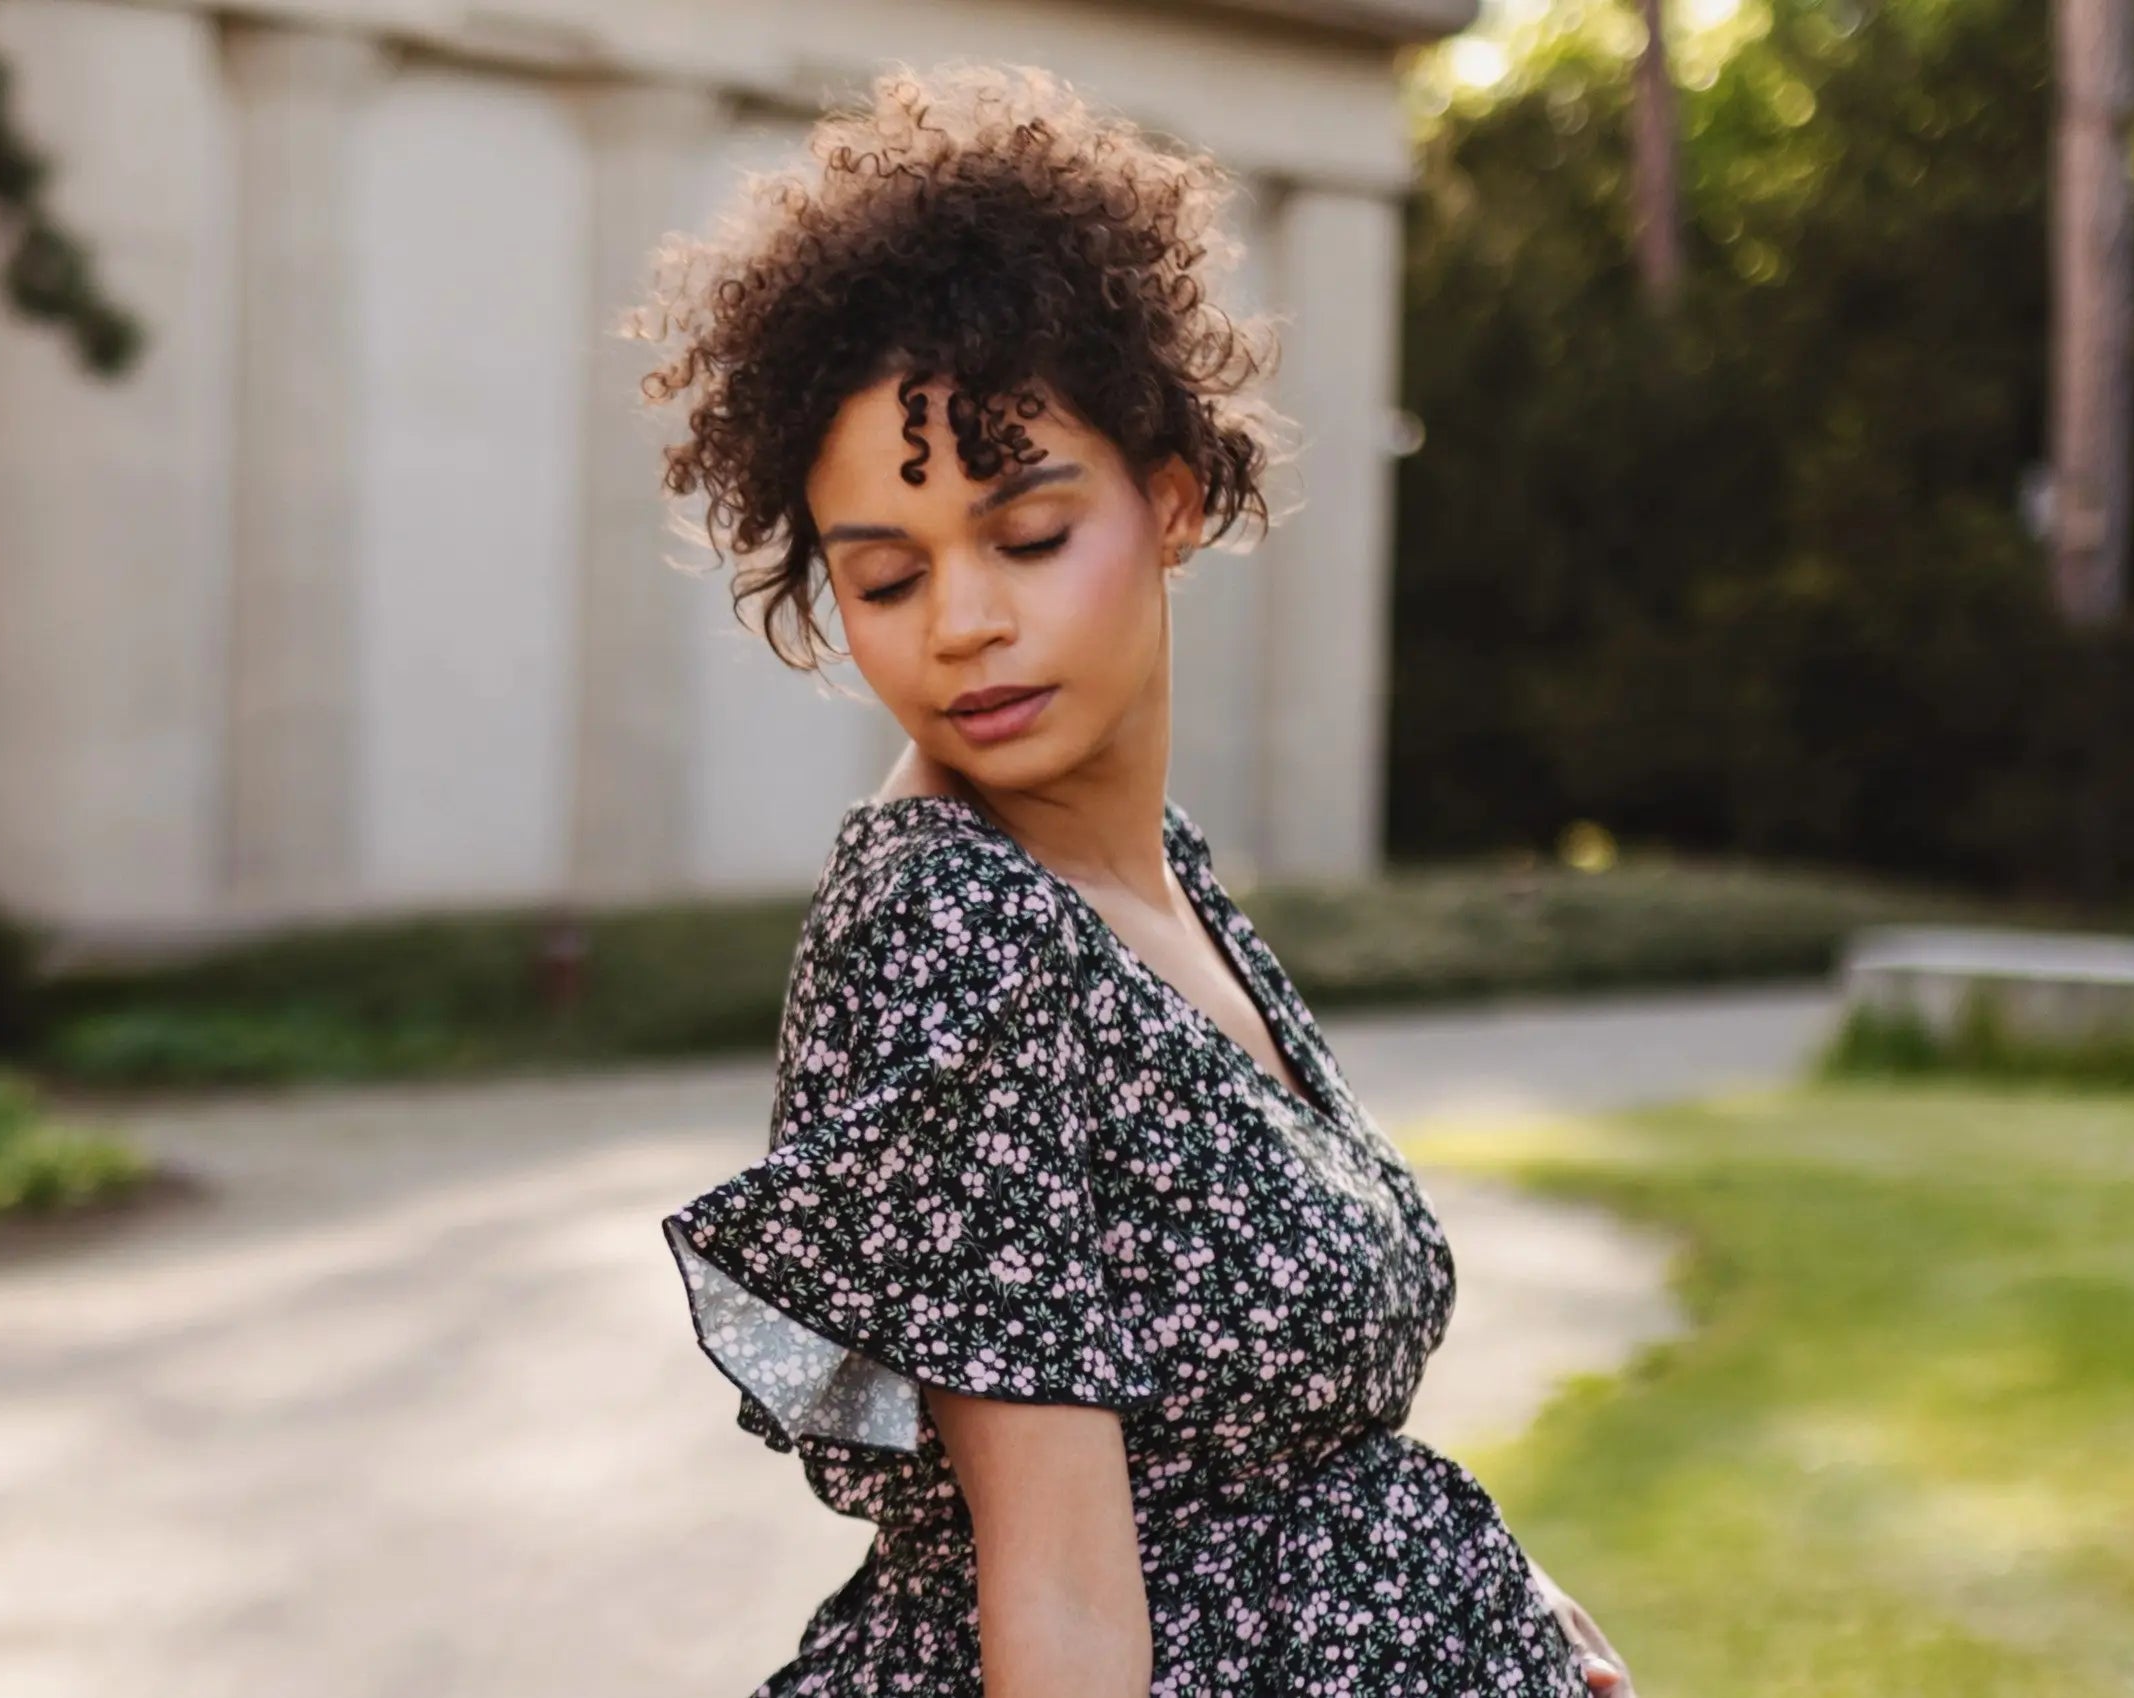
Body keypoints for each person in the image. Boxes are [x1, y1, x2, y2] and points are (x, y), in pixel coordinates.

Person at [633, 64, 1638, 1697]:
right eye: (885, 576)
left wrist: (1504, 1599)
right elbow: (1069, 1604)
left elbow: (1253, 1436)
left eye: (1026, 535)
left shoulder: (1153, 881)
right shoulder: (946, 933)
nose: (960, 623)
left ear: (1169, 497)